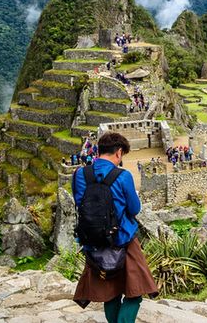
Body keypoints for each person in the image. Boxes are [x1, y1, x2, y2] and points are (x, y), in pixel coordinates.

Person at [72, 132, 157, 322]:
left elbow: (79, 202)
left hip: (93, 242)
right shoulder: (123, 176)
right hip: (123, 241)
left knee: (110, 293)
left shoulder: (79, 174)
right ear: (118, 152)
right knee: (135, 291)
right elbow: (134, 209)